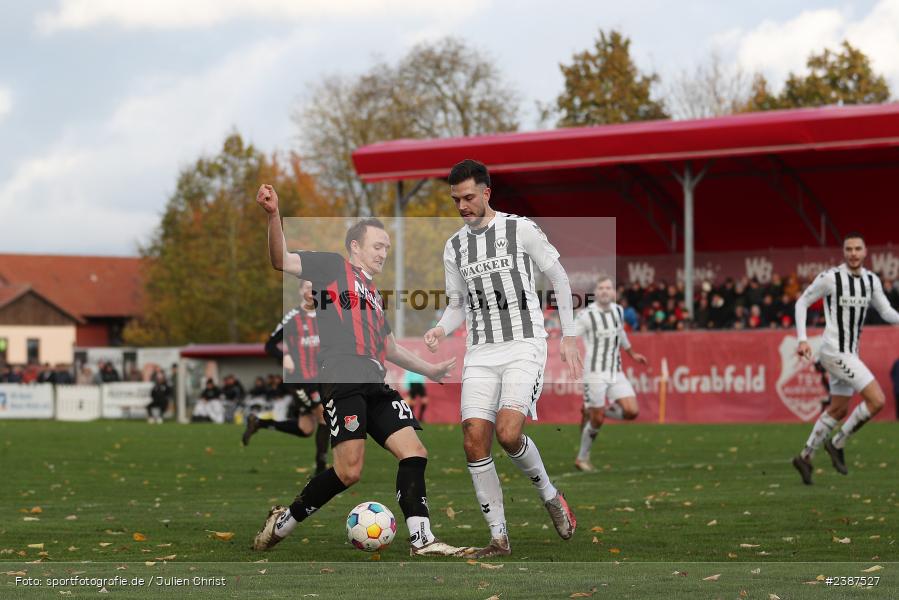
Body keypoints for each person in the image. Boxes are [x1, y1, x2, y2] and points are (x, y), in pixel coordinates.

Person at [251, 183, 467, 557]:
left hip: (375, 381)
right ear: (356, 247)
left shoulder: (373, 294)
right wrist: (273, 216)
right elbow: (281, 260)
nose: (384, 253)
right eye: (378, 246)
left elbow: (391, 348)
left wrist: (430, 370)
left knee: (414, 451)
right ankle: (284, 522)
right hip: (343, 377)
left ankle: (422, 540)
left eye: (386, 247)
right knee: (349, 472)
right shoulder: (333, 267)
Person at [423, 159, 582, 558]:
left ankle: (550, 495)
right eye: (456, 199)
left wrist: (570, 334)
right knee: (475, 440)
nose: (462, 206)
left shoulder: (520, 228)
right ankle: (499, 539)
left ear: (487, 193)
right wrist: (442, 328)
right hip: (480, 351)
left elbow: (560, 278)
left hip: (524, 345)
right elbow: (457, 304)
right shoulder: (454, 246)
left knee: (509, 434)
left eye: (469, 197)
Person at [791, 232, 899, 485]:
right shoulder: (831, 278)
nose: (853, 253)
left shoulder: (871, 280)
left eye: (857, 249)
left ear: (865, 252)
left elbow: (885, 311)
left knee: (838, 409)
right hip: (833, 351)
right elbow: (801, 303)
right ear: (844, 252)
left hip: (850, 353)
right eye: (849, 249)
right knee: (877, 400)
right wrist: (802, 339)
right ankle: (838, 443)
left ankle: (805, 456)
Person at [244, 279, 331, 476]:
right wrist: (285, 357)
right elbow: (270, 345)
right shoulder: (292, 318)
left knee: (305, 429)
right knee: (324, 416)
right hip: (299, 380)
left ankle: (259, 423)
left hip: (319, 379)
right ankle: (321, 468)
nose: (312, 291)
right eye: (308, 287)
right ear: (301, 291)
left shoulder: (325, 316)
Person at [573, 276, 648, 472]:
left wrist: (632, 353)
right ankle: (582, 458)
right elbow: (570, 335)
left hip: (615, 370)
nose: (605, 291)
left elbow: (621, 333)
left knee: (632, 411)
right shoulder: (586, 315)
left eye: (608, 288)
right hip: (595, 373)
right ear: (595, 292)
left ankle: (592, 410)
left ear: (614, 292)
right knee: (597, 420)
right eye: (601, 288)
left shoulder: (618, 310)